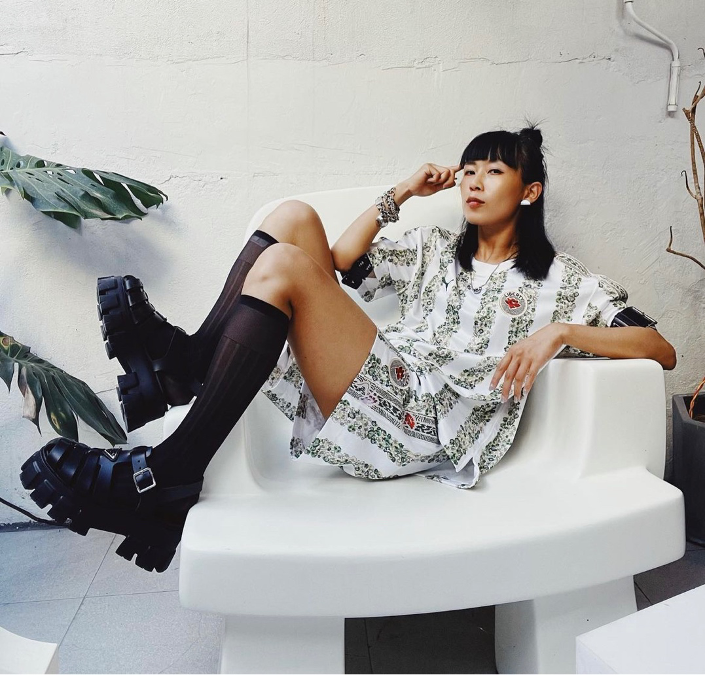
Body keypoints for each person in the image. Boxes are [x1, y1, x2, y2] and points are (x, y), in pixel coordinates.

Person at [20, 127, 677, 572]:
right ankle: (184, 374)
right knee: (292, 220)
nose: (474, 182)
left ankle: (172, 456)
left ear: (529, 192)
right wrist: (403, 193)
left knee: (284, 266)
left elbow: (660, 348)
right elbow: (338, 260)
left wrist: (560, 332)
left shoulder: (561, 282)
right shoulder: (433, 252)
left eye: (494, 172)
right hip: (384, 381)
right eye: (469, 171)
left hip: (423, 424)